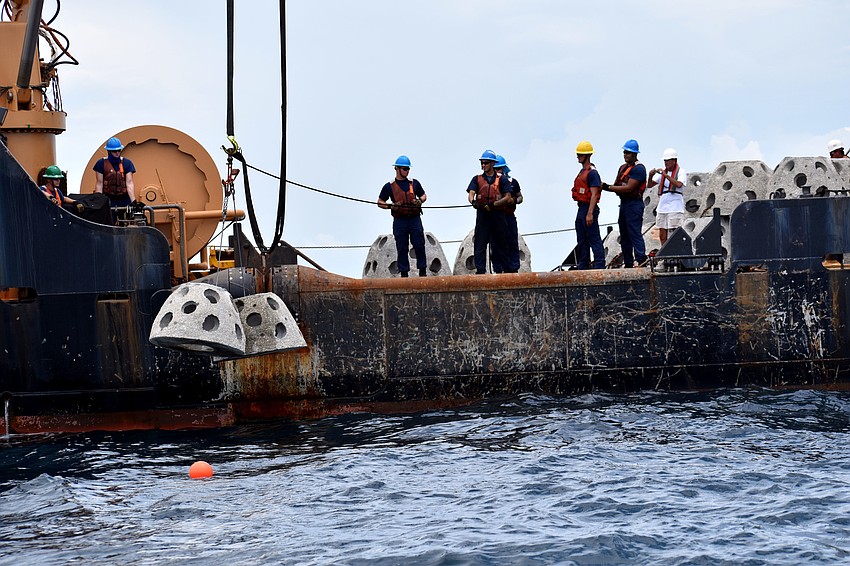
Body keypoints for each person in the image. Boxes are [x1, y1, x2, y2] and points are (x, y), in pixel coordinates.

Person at [377, 155, 428, 277]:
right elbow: (380, 202)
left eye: (408, 169)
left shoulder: (414, 183)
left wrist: (420, 201)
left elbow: (424, 195)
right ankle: (404, 273)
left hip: (414, 219)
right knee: (402, 246)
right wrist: (390, 206)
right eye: (404, 169)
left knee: (419, 244)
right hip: (400, 221)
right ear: (397, 169)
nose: (407, 171)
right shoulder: (389, 186)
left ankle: (422, 270)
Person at [601, 139, 647, 268]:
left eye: (628, 152)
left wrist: (608, 187)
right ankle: (628, 262)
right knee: (625, 234)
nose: (625, 155)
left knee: (634, 232)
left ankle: (641, 259)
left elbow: (629, 188)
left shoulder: (639, 169)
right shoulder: (623, 168)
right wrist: (616, 188)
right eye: (624, 152)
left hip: (634, 204)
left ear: (634, 154)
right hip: (624, 204)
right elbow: (619, 186)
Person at [467, 149, 513, 274]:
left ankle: (506, 270)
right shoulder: (476, 179)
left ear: (493, 163)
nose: (483, 165)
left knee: (501, 242)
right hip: (482, 215)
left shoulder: (502, 180)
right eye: (482, 163)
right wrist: (473, 201)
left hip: (498, 215)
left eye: (486, 163)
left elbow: (508, 197)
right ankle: (481, 270)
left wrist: (493, 205)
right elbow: (471, 193)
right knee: (480, 243)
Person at [572, 141, 605, 269]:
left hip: (588, 208)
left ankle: (599, 266)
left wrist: (590, 213)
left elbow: (594, 194)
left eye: (581, 154)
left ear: (587, 155)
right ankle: (583, 266)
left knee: (593, 238)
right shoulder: (582, 172)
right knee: (582, 240)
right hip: (581, 208)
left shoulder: (592, 173)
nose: (578, 156)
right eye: (578, 154)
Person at [647, 148, 687, 246]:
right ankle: (665, 253)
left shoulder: (681, 171)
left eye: (668, 161)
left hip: (675, 205)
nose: (666, 163)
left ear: (674, 161)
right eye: (665, 161)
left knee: (675, 232)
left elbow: (678, 184)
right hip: (663, 205)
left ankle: (676, 253)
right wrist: (650, 176)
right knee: (662, 233)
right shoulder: (663, 173)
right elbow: (650, 185)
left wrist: (666, 176)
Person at [93, 136, 137, 223]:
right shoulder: (101, 163)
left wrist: (134, 201)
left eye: (119, 150)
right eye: (114, 151)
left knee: (127, 222)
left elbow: (129, 183)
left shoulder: (127, 163)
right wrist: (98, 201)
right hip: (109, 199)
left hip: (124, 199)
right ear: (109, 151)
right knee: (108, 223)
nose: (117, 153)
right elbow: (99, 183)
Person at [495, 154, 522, 273]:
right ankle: (499, 268)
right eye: (495, 169)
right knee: (497, 243)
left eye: (499, 169)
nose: (497, 171)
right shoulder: (490, 184)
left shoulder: (513, 182)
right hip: (496, 217)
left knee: (512, 241)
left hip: (509, 216)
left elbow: (520, 197)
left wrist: (514, 200)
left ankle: (513, 268)